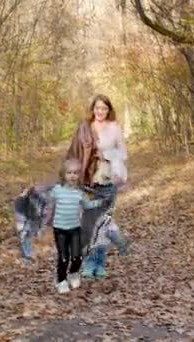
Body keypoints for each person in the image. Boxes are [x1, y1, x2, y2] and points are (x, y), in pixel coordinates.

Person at [66, 94, 131, 278]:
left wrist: (108, 154)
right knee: (88, 224)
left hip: (107, 180)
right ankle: (88, 263)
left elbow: (123, 153)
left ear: (108, 110)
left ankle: (100, 264)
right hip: (88, 182)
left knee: (103, 223)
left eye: (104, 108)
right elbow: (73, 153)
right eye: (97, 108)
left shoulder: (114, 127)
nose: (100, 112)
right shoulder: (85, 128)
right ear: (92, 109)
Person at [48, 158, 108, 294]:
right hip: (60, 230)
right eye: (69, 173)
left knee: (77, 257)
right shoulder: (57, 190)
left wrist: (99, 203)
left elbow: (88, 205)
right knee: (64, 257)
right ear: (63, 175)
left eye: (75, 173)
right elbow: (47, 202)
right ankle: (61, 281)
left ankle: (73, 273)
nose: (72, 176)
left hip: (75, 229)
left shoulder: (80, 193)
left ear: (79, 176)